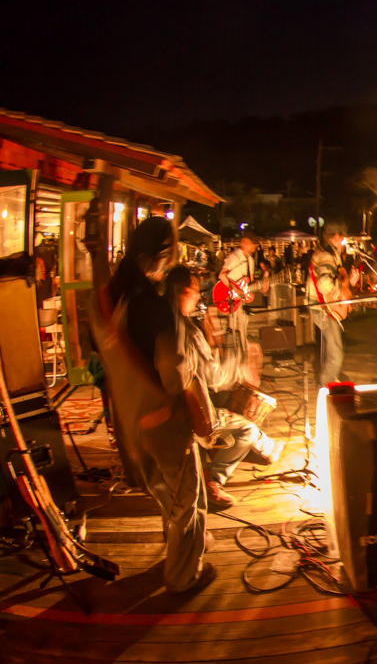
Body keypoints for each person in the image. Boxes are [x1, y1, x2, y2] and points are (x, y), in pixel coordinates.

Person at [103, 217, 215, 594]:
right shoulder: (153, 305)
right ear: (164, 255)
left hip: (129, 418)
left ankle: (181, 549)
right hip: (162, 418)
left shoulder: (111, 294)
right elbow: (174, 372)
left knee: (163, 490)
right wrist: (191, 403)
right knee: (186, 496)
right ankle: (183, 576)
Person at [165, 267, 273, 509]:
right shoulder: (188, 332)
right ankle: (213, 479)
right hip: (188, 412)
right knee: (247, 429)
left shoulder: (162, 323)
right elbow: (213, 378)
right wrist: (242, 366)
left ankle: (263, 447)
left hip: (166, 406)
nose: (198, 296)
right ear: (185, 291)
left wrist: (213, 345)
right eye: (195, 290)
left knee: (228, 407)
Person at [305, 224, 350, 386]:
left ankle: (329, 381)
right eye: (342, 235)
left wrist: (347, 283)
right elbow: (324, 284)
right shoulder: (326, 255)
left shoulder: (329, 253)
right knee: (336, 354)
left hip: (324, 306)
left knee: (333, 350)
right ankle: (325, 387)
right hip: (323, 308)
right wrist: (341, 289)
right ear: (335, 236)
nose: (343, 239)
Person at [219, 234, 266, 349]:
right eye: (252, 244)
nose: (254, 247)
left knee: (244, 324)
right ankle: (234, 349)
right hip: (231, 297)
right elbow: (222, 275)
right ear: (244, 244)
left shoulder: (250, 260)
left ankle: (243, 348)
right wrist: (235, 289)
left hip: (241, 299)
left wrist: (260, 285)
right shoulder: (234, 257)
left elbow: (249, 281)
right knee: (233, 327)